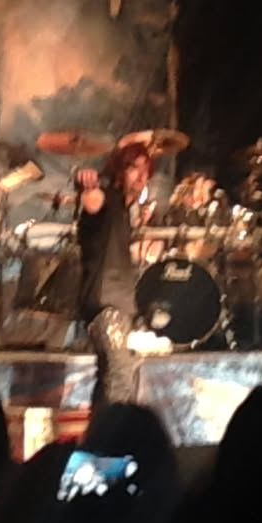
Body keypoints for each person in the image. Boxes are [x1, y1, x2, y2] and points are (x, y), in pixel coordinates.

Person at [75, 140, 156, 411]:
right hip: (106, 308)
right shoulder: (109, 199)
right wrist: (88, 187)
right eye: (133, 168)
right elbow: (93, 203)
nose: (141, 176)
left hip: (120, 306)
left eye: (145, 169)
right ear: (119, 173)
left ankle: (99, 429)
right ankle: (113, 433)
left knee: (110, 376)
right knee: (121, 375)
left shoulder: (125, 211)